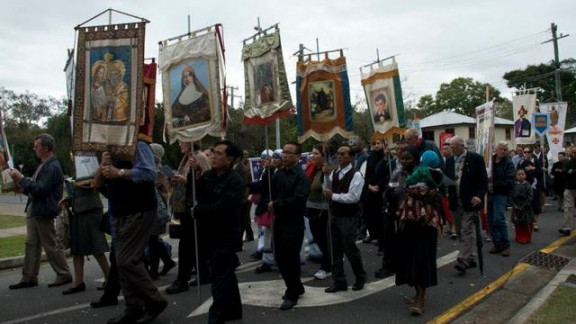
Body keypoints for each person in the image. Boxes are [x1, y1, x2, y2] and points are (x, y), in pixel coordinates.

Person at [94, 141, 167, 324]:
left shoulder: (138, 145)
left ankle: (155, 300)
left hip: (139, 209)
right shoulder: (108, 151)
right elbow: (97, 183)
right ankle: (133, 307)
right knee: (121, 261)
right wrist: (103, 165)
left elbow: (149, 173)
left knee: (127, 260)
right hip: (118, 211)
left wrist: (119, 172)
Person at [8, 134, 72, 290]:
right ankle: (29, 277)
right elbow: (36, 188)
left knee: (49, 244)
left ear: (46, 148)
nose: (34, 149)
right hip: (35, 208)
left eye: (36, 146)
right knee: (31, 244)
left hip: (43, 209)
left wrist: (21, 178)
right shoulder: (44, 165)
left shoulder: (52, 166)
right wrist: (22, 187)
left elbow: (41, 189)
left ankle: (64, 273)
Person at [192, 140, 244, 323]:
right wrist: (195, 174)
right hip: (209, 234)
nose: (213, 156)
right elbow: (199, 196)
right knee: (226, 275)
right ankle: (234, 311)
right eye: (213, 152)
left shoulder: (236, 180)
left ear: (229, 159)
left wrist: (200, 212)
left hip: (226, 236)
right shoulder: (207, 176)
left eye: (219, 154)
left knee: (220, 279)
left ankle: (216, 317)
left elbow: (225, 206)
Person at [396, 150, 444, 316]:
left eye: (408, 158)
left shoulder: (434, 176)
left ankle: (421, 300)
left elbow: (439, 196)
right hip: (409, 222)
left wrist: (424, 196)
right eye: (402, 158)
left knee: (422, 260)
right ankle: (417, 294)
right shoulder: (403, 174)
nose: (404, 160)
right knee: (411, 259)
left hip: (425, 224)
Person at [268, 142, 310, 310]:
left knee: (290, 259)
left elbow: (298, 202)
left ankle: (292, 293)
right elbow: (270, 190)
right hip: (279, 221)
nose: (285, 155)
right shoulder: (279, 173)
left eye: (289, 153)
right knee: (279, 257)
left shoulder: (301, 177)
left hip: (293, 223)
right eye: (284, 152)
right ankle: (296, 286)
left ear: (298, 157)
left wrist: (277, 204)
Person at [166, 141, 211, 294]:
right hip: (184, 205)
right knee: (196, 243)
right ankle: (204, 273)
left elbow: (207, 180)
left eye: (182, 141)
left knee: (187, 244)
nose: (179, 144)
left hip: (193, 207)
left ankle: (182, 279)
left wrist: (185, 180)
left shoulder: (200, 157)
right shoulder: (186, 157)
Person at [323, 144, 367, 294]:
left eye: (343, 154)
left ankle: (360, 276)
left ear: (351, 157)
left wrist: (333, 196)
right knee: (335, 250)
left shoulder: (356, 175)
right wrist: (325, 175)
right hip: (334, 215)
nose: (339, 157)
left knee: (350, 249)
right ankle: (339, 281)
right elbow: (327, 187)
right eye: (338, 154)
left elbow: (353, 197)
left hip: (348, 217)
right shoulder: (334, 172)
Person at [61, 181, 110, 294]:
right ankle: (78, 282)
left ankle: (109, 278)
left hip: (91, 209)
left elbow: (94, 182)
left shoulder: (89, 164)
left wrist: (79, 183)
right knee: (77, 249)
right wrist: (69, 200)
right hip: (79, 210)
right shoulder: (75, 166)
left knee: (97, 247)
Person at [449, 136, 488, 275]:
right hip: (455, 201)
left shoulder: (475, 158)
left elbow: (483, 180)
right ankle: (471, 257)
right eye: (450, 147)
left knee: (467, 230)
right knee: (460, 231)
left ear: (461, 145)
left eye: (453, 147)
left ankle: (462, 259)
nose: (451, 150)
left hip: (470, 201)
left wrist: (479, 195)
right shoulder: (449, 160)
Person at [147, 143, 176, 280]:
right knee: (153, 239)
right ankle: (166, 262)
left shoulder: (157, 171)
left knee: (152, 239)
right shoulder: (164, 169)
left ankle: (154, 269)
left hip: (156, 210)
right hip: (160, 208)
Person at [305, 144, 332, 280]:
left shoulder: (328, 171)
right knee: (319, 239)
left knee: (324, 240)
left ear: (324, 155)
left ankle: (327, 266)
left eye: (316, 153)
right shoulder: (313, 170)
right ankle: (329, 261)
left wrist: (327, 175)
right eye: (312, 153)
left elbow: (329, 189)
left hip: (323, 211)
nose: (312, 156)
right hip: (312, 210)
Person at [487, 142, 515, 256]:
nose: (503, 151)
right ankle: (496, 243)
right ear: (496, 149)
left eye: (505, 149)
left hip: (501, 194)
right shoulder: (490, 161)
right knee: (490, 220)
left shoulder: (508, 163)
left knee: (498, 218)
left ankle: (505, 244)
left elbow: (510, 181)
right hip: (489, 194)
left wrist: (495, 184)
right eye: (501, 149)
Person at [517, 146, 543, 231]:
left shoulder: (536, 161)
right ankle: (525, 222)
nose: (527, 153)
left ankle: (535, 223)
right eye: (525, 152)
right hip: (524, 185)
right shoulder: (521, 162)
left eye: (529, 152)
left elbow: (540, 172)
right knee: (524, 203)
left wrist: (533, 168)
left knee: (535, 204)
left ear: (531, 152)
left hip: (534, 185)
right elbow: (517, 172)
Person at [511, 169, 534, 243]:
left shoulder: (528, 185)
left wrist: (523, 206)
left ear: (525, 175)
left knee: (526, 223)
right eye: (519, 174)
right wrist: (514, 205)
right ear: (516, 176)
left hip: (526, 207)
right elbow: (511, 196)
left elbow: (530, 197)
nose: (521, 176)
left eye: (522, 174)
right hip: (516, 206)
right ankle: (519, 237)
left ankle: (526, 238)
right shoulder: (514, 185)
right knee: (517, 223)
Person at [559, 146, 576, 236]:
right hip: (569, 187)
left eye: (575, 152)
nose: (574, 154)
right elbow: (564, 173)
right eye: (573, 152)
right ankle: (567, 227)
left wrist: (572, 172)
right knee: (568, 208)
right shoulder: (568, 162)